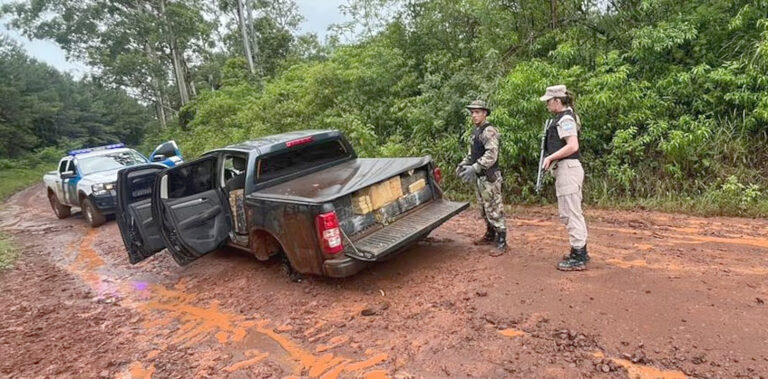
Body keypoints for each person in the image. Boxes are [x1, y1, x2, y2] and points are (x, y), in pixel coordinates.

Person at [539, 85, 589, 271]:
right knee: (571, 211)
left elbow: (572, 145)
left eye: (549, 101)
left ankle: (579, 256)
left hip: (568, 169)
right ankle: (579, 251)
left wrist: (551, 157)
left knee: (570, 212)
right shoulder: (565, 117)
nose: (547, 105)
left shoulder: (566, 118)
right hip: (566, 169)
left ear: (557, 101)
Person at [456, 100, 507, 256]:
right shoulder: (476, 131)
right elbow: (473, 153)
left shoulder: (489, 131)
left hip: (489, 177)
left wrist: (475, 167)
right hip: (480, 178)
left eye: (477, 112)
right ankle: (490, 234)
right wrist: (463, 164)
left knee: (494, 208)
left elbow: (492, 154)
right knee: (484, 208)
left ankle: (502, 241)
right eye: (472, 112)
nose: (474, 115)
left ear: (485, 113)